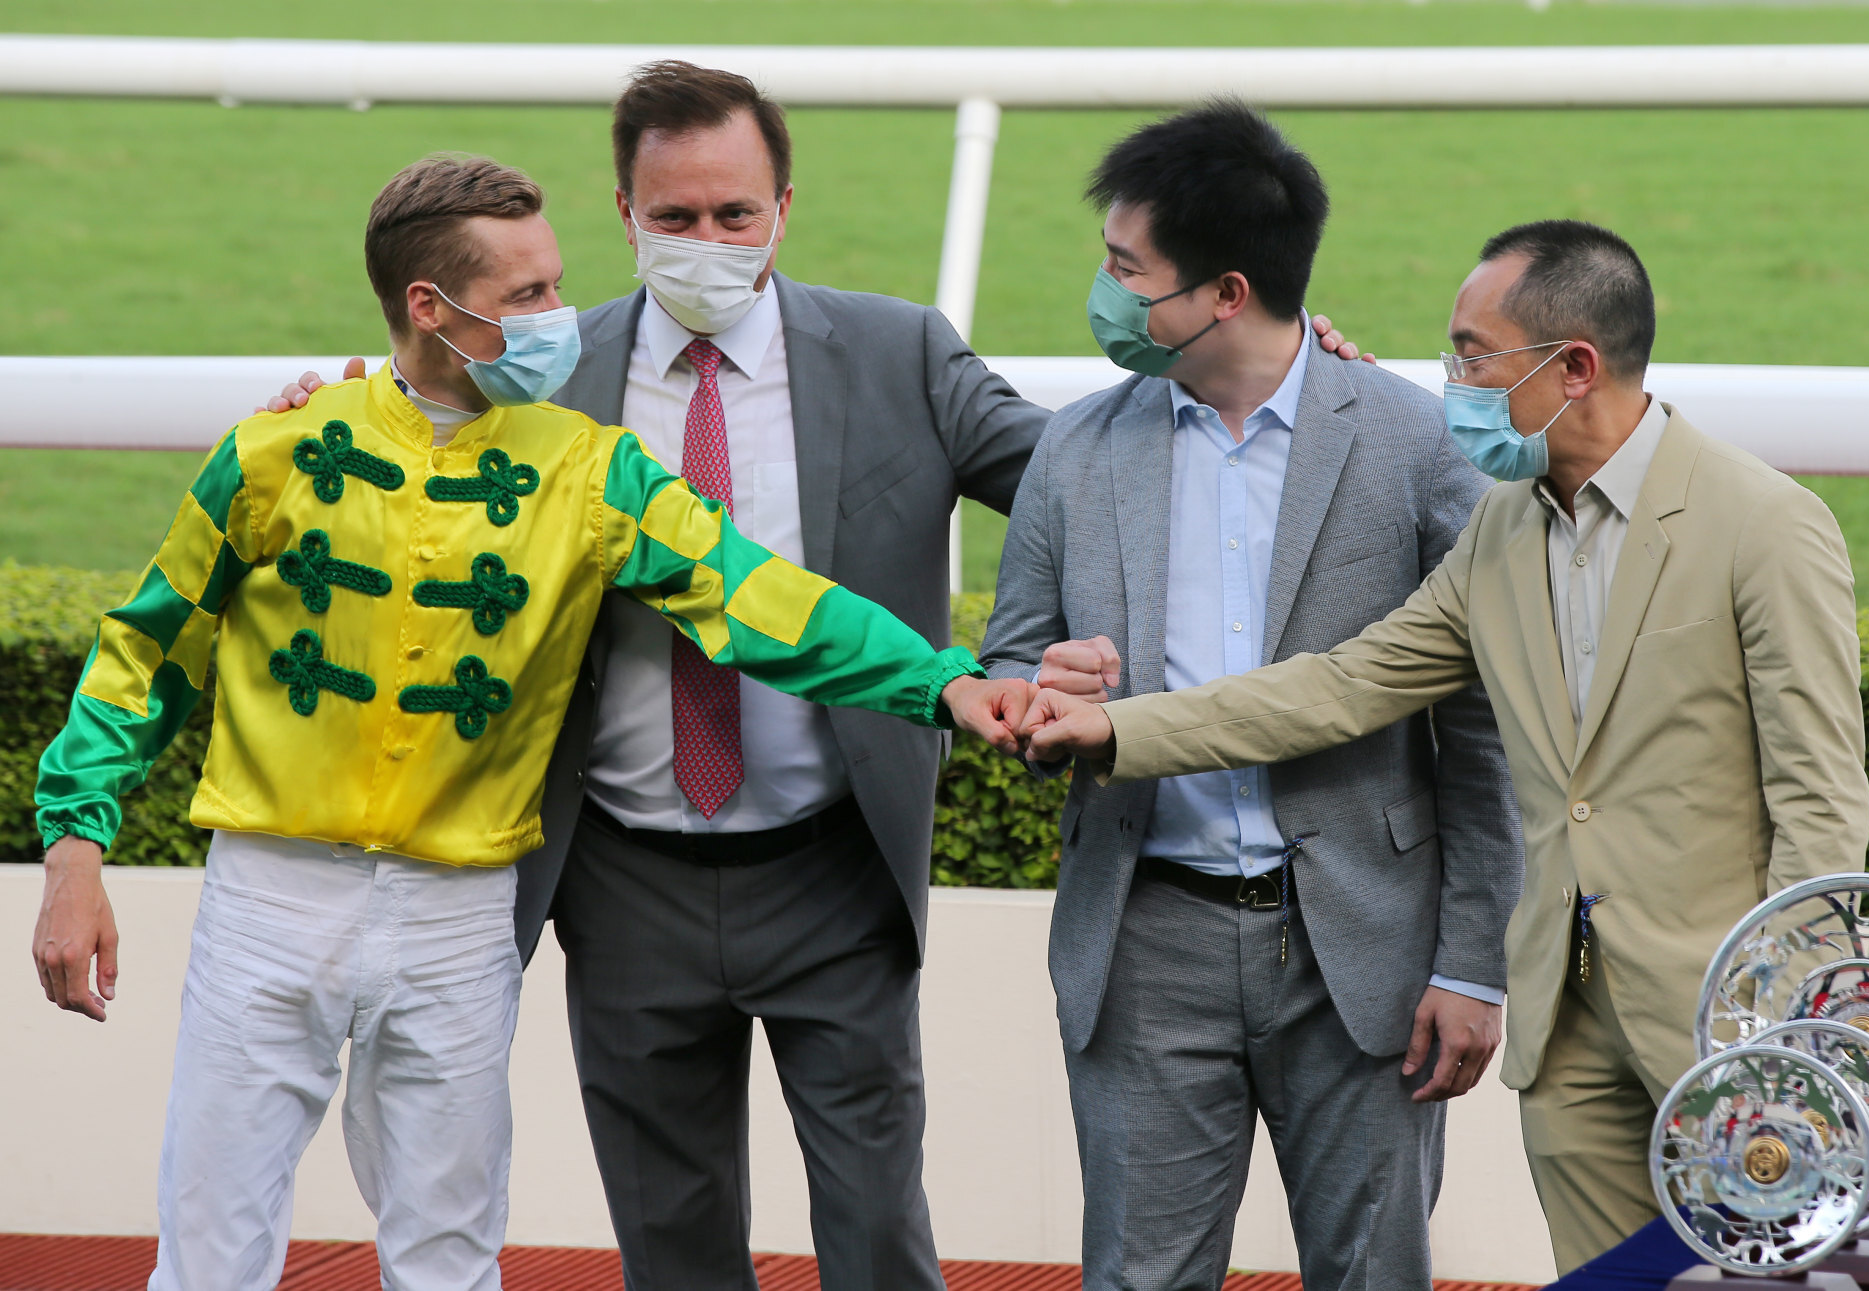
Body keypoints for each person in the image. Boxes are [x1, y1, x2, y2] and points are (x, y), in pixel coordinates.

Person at [268, 62, 1362, 1291]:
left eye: (735, 214)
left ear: (784, 207)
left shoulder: (899, 352)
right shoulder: (540, 371)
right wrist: (312, 419)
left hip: (836, 865)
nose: (707, 240)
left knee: (878, 1231)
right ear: (622, 214)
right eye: (673, 218)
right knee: (670, 1247)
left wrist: (1277, 369)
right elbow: (399, 473)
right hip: (621, 873)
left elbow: (1084, 476)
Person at [29, 153, 1033, 1291]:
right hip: (269, 896)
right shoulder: (274, 450)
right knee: (209, 1250)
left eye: (557, 284)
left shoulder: (595, 471)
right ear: (429, 307)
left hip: (463, 914)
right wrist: (75, 848)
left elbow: (767, 602)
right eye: (532, 297)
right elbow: (141, 653)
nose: (568, 317)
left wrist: (941, 682)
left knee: (451, 1257)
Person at [1018, 218, 1869, 1274]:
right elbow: (1345, 683)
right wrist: (1119, 728)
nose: (1450, 380)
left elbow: (1820, 802)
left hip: (1728, 1024)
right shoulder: (1502, 528)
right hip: (1567, 1028)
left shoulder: (1765, 522)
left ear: (1573, 367)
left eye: (1472, 355)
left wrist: (1787, 1026)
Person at [979, 102, 1522, 1291]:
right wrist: (1028, 696)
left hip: (1363, 952)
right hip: (1143, 942)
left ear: (1226, 292)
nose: (1104, 290)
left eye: (1128, 269)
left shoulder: (1410, 445)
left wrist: (1474, 962)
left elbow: (1484, 722)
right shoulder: (1075, 449)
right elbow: (1004, 664)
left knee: (1373, 1271)